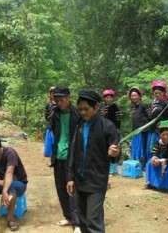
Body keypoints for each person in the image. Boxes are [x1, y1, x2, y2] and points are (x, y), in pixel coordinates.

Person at [67, 89, 120, 233]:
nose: (83, 112)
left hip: (96, 181)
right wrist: (71, 177)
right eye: (80, 109)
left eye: (86, 109)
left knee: (93, 220)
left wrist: (114, 153)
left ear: (97, 106)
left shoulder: (107, 127)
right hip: (79, 180)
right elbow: (73, 152)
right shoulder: (80, 126)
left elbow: (115, 153)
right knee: (82, 219)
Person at [48, 86, 80, 232]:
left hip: (72, 157)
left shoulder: (77, 114)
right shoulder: (55, 113)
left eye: (61, 100)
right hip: (58, 156)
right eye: (56, 100)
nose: (58, 103)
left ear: (69, 98)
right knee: (61, 188)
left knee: (72, 189)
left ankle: (77, 223)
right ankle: (68, 217)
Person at [147, 81, 168, 161]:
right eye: (155, 93)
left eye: (159, 93)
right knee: (152, 148)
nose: (157, 95)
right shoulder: (152, 103)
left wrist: (163, 125)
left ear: (163, 93)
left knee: (161, 148)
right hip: (152, 130)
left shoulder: (167, 104)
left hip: (162, 131)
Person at [100, 89, 122, 176]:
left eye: (110, 98)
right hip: (105, 131)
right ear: (104, 99)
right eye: (107, 98)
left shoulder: (115, 107)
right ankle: (107, 169)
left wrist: (117, 129)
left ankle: (114, 170)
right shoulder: (102, 108)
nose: (108, 99)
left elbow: (118, 119)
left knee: (114, 148)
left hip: (114, 131)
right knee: (106, 149)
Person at [128, 86, 150, 164]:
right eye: (132, 96)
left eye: (135, 95)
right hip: (135, 131)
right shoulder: (132, 107)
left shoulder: (144, 105)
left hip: (144, 131)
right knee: (136, 149)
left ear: (139, 96)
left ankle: (144, 164)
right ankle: (138, 164)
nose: (134, 97)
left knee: (143, 148)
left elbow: (150, 116)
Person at [43, 86, 57, 157]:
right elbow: (46, 115)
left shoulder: (58, 104)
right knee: (50, 141)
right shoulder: (48, 104)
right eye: (53, 93)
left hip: (57, 126)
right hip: (50, 125)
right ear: (50, 94)